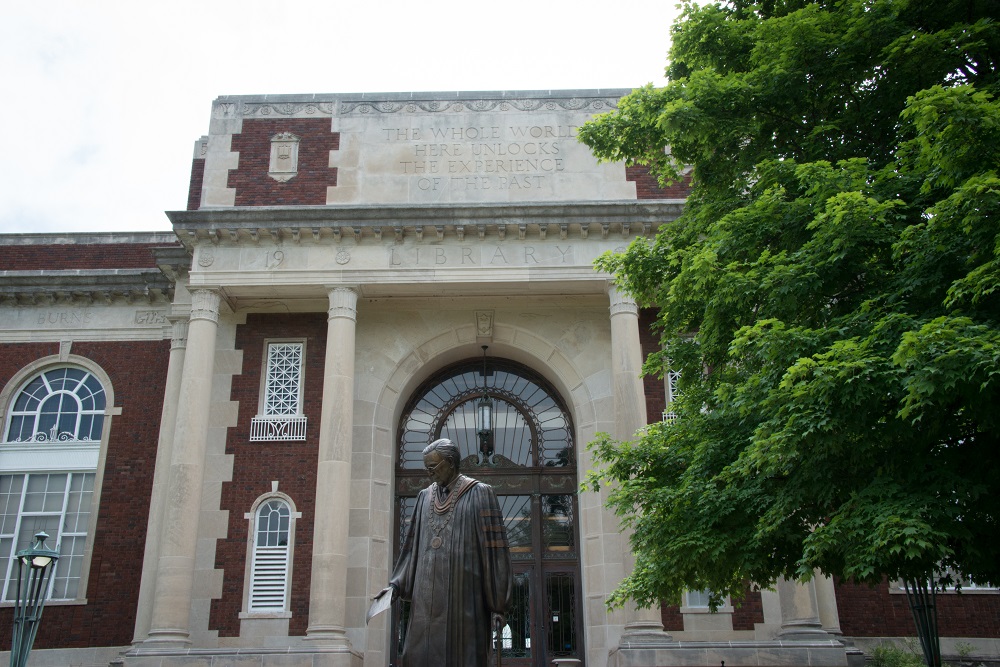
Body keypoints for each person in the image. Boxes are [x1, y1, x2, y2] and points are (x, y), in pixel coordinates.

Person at [388, 438, 512, 666]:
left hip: (465, 600)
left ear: (451, 462)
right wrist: (396, 584)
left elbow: (496, 554)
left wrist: (498, 604)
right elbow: (411, 548)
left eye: (433, 467)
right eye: (426, 468)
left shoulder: (481, 494)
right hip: (425, 602)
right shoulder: (424, 497)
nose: (429, 473)